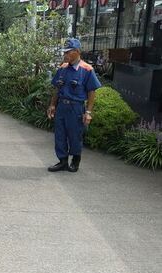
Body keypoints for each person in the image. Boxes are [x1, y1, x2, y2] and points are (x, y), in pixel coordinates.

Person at [47, 38, 101, 173]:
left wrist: (88, 112)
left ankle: (75, 160)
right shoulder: (63, 68)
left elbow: (91, 92)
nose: (65, 55)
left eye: (68, 52)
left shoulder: (87, 69)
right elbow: (57, 88)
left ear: (77, 52)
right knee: (60, 135)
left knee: (75, 136)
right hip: (62, 107)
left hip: (75, 108)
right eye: (64, 53)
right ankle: (62, 161)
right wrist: (52, 105)